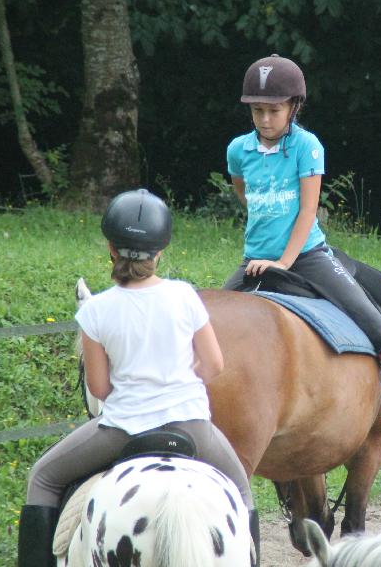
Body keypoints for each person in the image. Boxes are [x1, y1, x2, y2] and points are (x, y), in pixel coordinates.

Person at [222, 54, 381, 443]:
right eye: (258, 111)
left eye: (274, 110)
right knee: (206, 322)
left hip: (308, 256)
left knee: (371, 317)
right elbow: (242, 190)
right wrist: (263, 239)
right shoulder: (238, 150)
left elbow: (308, 210)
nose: (265, 119)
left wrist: (283, 260)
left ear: (294, 107)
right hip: (255, 259)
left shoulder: (307, 147)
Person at [16, 189, 257, 567]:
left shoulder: (95, 310)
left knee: (43, 479)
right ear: (160, 252)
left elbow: (98, 389)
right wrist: (177, 379)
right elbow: (213, 365)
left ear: (111, 248)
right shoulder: (184, 296)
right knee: (241, 492)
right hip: (192, 426)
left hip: (123, 429)